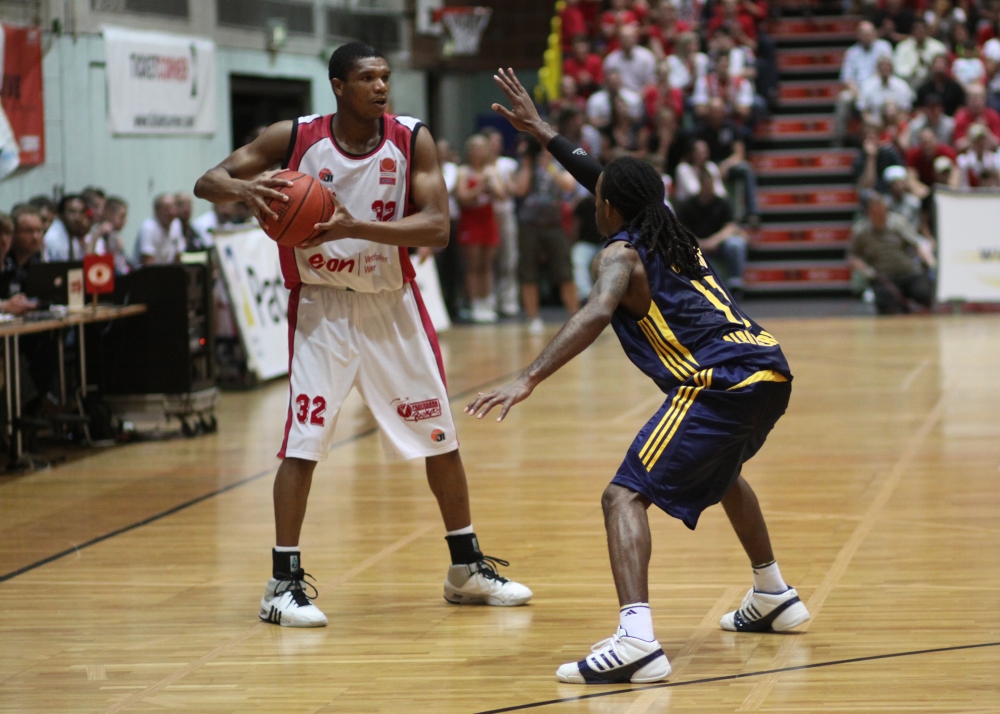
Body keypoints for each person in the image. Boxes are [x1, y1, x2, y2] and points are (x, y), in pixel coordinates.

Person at [477, 68, 811, 684]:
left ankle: (636, 640)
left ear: (607, 208)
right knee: (724, 474)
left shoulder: (620, 255)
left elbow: (597, 311)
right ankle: (774, 594)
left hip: (717, 381)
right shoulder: (672, 228)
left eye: (598, 195)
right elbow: (611, 179)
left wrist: (529, 376)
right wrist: (545, 132)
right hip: (768, 367)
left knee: (622, 495)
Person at [193, 43, 531, 627]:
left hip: (391, 307)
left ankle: (465, 568)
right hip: (321, 310)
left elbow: (438, 227)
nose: (380, 87)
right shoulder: (294, 136)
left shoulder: (411, 137)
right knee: (304, 442)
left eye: (385, 77)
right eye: (367, 78)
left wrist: (355, 225)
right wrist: (245, 191)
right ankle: (282, 583)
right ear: (337, 86)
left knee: (440, 437)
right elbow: (209, 180)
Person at [512, 135, 581, 335]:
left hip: (553, 224)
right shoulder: (525, 165)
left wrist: (548, 165)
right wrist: (527, 162)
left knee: (564, 270)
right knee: (528, 271)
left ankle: (575, 316)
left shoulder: (559, 164)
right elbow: (521, 189)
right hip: (529, 225)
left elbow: (569, 186)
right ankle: (533, 318)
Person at [849, 193, 935, 314]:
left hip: (909, 273)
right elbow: (853, 257)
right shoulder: (861, 231)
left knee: (925, 293)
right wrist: (867, 272)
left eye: (883, 211)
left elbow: (917, 244)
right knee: (888, 306)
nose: (881, 215)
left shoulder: (898, 223)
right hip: (884, 278)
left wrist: (930, 265)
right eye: (876, 212)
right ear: (869, 212)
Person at [455, 134, 504, 323]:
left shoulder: (492, 170)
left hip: (488, 220)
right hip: (471, 221)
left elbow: (501, 196)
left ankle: (487, 302)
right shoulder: (463, 172)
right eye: (474, 148)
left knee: (487, 264)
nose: (478, 151)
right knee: (473, 265)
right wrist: (481, 185)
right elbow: (462, 197)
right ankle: (475, 303)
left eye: (481, 147)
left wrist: (492, 182)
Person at [675, 167, 748, 290]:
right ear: (701, 185)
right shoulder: (688, 206)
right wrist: (700, 244)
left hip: (718, 244)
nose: (710, 187)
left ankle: (736, 281)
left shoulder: (722, 203)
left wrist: (713, 241)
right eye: (707, 184)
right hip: (697, 246)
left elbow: (730, 227)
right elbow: (682, 230)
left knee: (736, 244)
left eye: (712, 184)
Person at [693, 98, 759, 223]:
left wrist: (725, 165)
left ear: (724, 112)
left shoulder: (731, 127)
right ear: (709, 112)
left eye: (719, 110)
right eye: (713, 111)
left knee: (746, 169)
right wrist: (712, 168)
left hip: (728, 166)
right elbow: (697, 155)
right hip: (707, 167)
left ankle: (752, 213)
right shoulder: (701, 130)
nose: (716, 114)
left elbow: (739, 154)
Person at [482, 126, 521, 317]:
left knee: (508, 258)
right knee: (488, 260)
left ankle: (509, 300)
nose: (496, 145)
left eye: (498, 141)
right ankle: (489, 300)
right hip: (486, 215)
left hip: (505, 214)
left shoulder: (508, 164)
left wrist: (503, 184)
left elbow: (515, 189)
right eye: (493, 141)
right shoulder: (481, 166)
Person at [835, 21, 893, 143]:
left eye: (869, 33)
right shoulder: (852, 52)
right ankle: (841, 138)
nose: (866, 36)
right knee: (843, 98)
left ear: (874, 34)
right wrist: (859, 95)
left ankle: (886, 137)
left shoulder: (884, 47)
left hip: (878, 87)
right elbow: (847, 78)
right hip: (857, 91)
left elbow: (887, 70)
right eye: (863, 33)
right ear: (858, 35)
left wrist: (870, 91)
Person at [1, 205, 43, 314]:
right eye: (28, 231)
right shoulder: (4, 258)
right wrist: (5, 306)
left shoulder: (37, 260)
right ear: (14, 233)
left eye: (39, 230)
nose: (35, 237)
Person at [857, 55, 914, 126]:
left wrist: (894, 126)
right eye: (882, 66)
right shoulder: (867, 86)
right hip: (874, 126)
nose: (885, 69)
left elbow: (905, 112)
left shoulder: (902, 86)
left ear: (892, 68)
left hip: (897, 125)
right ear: (877, 68)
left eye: (887, 66)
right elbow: (864, 114)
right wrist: (878, 125)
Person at [603, 24, 658, 94]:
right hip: (617, 97)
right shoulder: (611, 60)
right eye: (624, 38)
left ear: (636, 39)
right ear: (619, 40)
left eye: (629, 37)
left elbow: (651, 82)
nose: (627, 40)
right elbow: (606, 84)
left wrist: (638, 98)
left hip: (641, 96)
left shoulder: (647, 57)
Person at [893, 19, 947, 89]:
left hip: (931, 86)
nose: (920, 32)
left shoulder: (939, 47)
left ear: (927, 31)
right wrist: (914, 68)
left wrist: (928, 65)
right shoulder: (902, 47)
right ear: (912, 32)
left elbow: (943, 70)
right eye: (917, 30)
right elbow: (898, 71)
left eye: (922, 29)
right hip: (909, 84)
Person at [86, 196, 131, 274]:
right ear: (108, 213)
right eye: (121, 216)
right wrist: (97, 235)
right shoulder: (95, 231)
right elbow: (89, 259)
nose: (124, 221)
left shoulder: (114, 235)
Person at [136, 194, 184, 265]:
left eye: (173, 208)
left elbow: (178, 256)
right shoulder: (148, 227)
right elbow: (148, 262)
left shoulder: (176, 224)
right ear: (156, 211)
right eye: (167, 209)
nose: (171, 212)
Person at [674, 139, 726, 203]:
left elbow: (721, 191)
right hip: (687, 206)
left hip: (709, 204)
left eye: (706, 152)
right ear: (692, 154)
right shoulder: (683, 168)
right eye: (701, 152)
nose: (705, 155)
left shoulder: (711, 167)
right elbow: (693, 191)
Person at [43, 194, 91, 262]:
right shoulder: (53, 237)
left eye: (80, 212)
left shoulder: (74, 235)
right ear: (61, 214)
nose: (77, 217)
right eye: (72, 212)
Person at [952, 84, 1000, 151]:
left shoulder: (993, 116)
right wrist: (974, 132)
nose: (976, 103)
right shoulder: (961, 117)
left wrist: (985, 130)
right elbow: (958, 146)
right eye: (973, 99)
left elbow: (997, 145)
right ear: (967, 101)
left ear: (985, 100)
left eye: (979, 98)